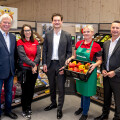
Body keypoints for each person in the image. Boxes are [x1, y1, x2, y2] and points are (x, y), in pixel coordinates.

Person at [66, 25, 102, 120]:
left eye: (88, 31)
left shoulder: (96, 46)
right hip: (79, 70)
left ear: (92, 33)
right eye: (84, 31)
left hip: (89, 71)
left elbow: (100, 60)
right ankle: (81, 108)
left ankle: (85, 113)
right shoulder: (78, 43)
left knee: (86, 93)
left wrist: (95, 65)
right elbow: (74, 56)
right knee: (81, 91)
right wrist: (70, 59)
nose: (86, 33)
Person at [42, 13, 72, 119]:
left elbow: (69, 52)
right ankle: (53, 103)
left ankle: (59, 109)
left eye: (58, 20)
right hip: (50, 64)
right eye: (55, 20)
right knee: (52, 86)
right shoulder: (48, 34)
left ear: (62, 22)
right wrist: (44, 63)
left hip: (61, 65)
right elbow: (44, 50)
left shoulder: (67, 35)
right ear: (52, 22)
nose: (57, 22)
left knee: (61, 88)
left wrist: (65, 66)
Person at [94, 21, 120, 120]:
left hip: (117, 77)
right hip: (106, 76)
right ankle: (105, 115)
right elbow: (103, 60)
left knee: (118, 100)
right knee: (106, 97)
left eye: (117, 28)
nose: (115, 30)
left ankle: (117, 117)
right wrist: (103, 69)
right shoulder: (106, 43)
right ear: (110, 29)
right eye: (113, 28)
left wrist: (115, 72)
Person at [17, 24, 40, 119]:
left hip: (34, 70)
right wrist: (33, 64)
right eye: (26, 30)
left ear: (31, 31)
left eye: (29, 30)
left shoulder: (35, 42)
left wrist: (35, 65)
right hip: (25, 70)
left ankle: (29, 107)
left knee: (31, 90)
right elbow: (23, 56)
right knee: (25, 90)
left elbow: (38, 55)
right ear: (23, 32)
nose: (28, 32)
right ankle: (24, 109)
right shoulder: (20, 42)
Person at [0, 14, 18, 119]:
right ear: (0, 23)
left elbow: (14, 53)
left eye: (8, 23)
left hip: (10, 70)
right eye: (4, 22)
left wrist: (15, 67)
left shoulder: (12, 37)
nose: (6, 24)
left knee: (8, 92)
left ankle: (8, 111)